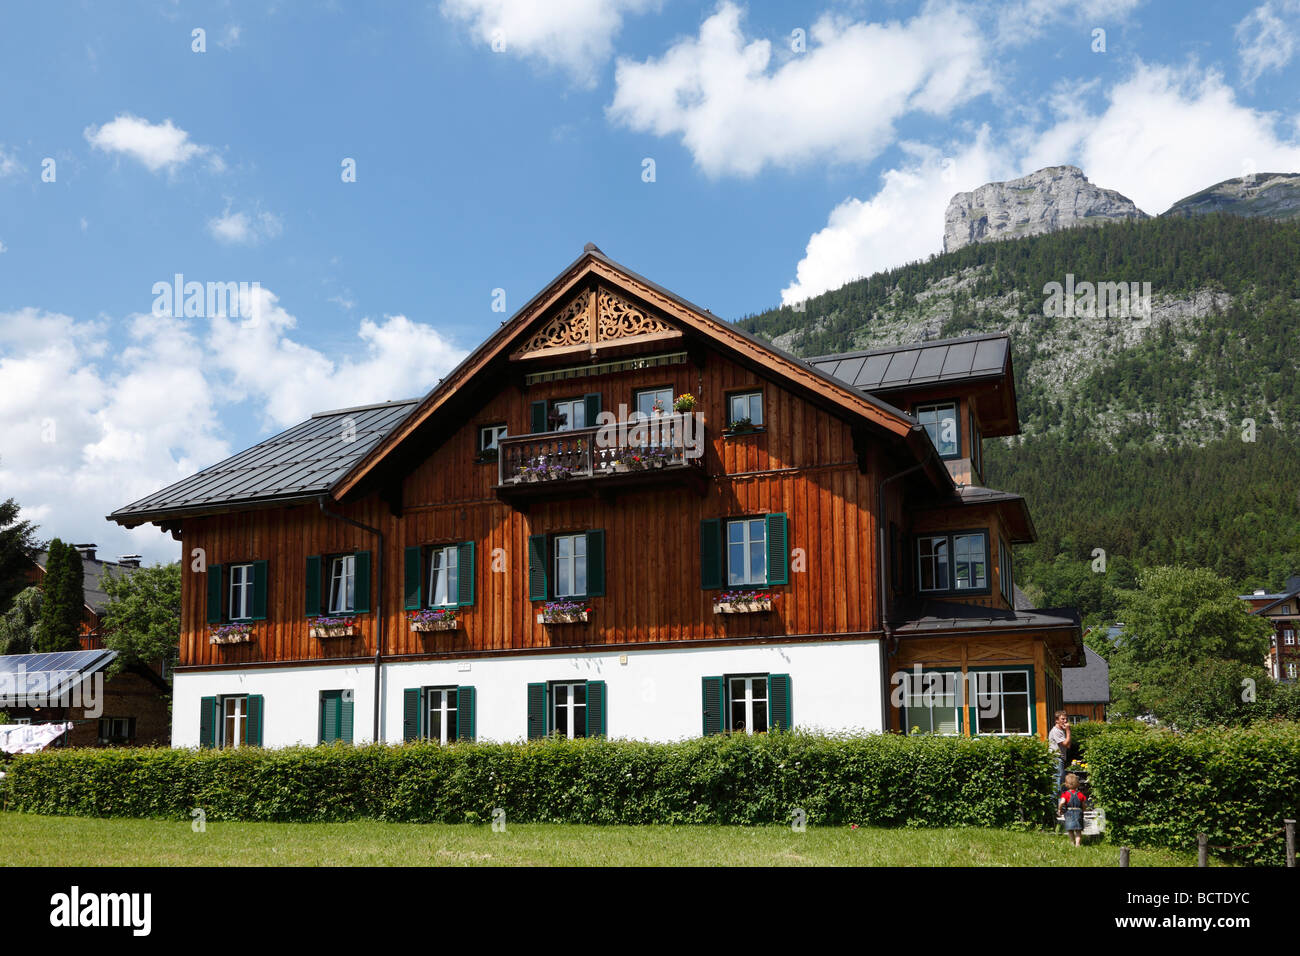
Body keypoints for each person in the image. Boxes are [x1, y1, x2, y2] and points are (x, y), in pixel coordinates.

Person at [1059, 772, 1087, 846]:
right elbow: (1084, 804)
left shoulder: (1065, 794)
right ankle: (1078, 844)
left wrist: (1059, 809)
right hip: (1078, 812)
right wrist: (1084, 810)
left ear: (1066, 784)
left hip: (1069, 812)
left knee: (1070, 829)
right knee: (1078, 830)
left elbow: (1062, 802)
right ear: (1077, 784)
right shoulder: (1080, 794)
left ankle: (1072, 842)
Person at [1048, 711, 1071, 794]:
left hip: (1060, 758)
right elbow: (1065, 743)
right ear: (1056, 720)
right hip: (1056, 758)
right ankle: (1056, 805)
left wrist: (1067, 732)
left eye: (1066, 719)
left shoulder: (1061, 731)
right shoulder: (1056, 731)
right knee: (1057, 781)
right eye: (1062, 719)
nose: (1065, 721)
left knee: (1061, 781)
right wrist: (1068, 731)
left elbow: (1068, 746)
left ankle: (1060, 803)